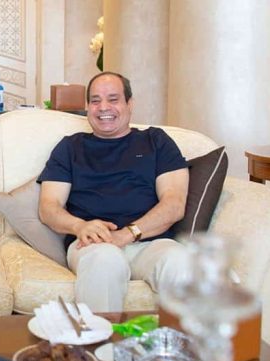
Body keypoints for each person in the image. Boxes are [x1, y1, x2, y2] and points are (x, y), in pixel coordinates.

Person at [37, 71, 189, 312]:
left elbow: (174, 204)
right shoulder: (70, 147)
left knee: (183, 263)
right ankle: (99, 338)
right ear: (87, 107)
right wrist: (79, 226)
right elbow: (48, 207)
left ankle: (190, 338)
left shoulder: (156, 141)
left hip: (151, 243)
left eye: (113, 99)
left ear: (130, 103)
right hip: (93, 244)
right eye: (95, 100)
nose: (103, 107)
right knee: (105, 260)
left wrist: (127, 234)